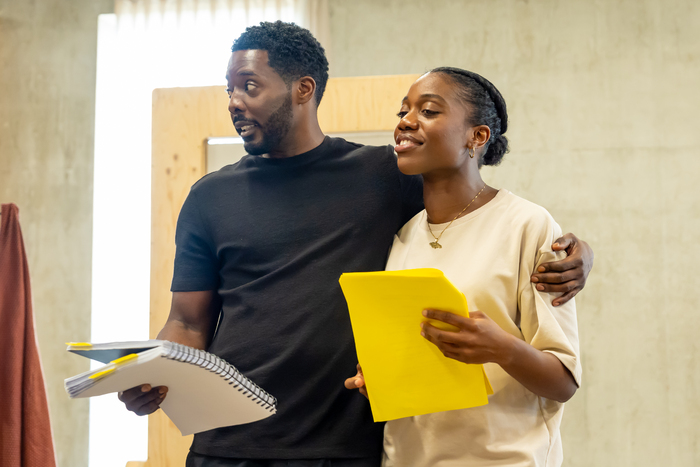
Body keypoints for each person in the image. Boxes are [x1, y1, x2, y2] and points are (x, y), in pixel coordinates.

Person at [118, 22, 593, 467]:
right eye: (229, 89)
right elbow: (185, 321)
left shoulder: (386, 177)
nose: (234, 102)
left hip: (345, 446)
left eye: (249, 86)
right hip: (229, 443)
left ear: (303, 89)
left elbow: (480, 214)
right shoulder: (210, 197)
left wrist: (579, 254)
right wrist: (156, 374)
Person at [346, 67, 582, 466]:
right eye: (404, 111)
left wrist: (501, 348)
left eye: (429, 111)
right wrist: (383, 379)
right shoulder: (402, 236)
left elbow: (563, 382)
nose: (405, 121)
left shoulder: (528, 224)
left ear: (477, 136)